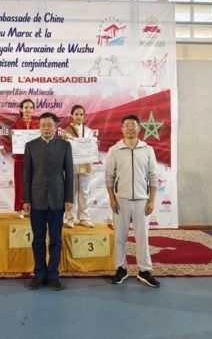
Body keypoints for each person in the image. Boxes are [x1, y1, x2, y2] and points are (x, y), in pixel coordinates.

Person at [105, 114, 160, 288]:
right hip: (120, 200)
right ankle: (121, 268)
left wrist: (151, 201)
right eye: (127, 125)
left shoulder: (147, 150)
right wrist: (112, 199)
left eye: (133, 125)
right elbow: (109, 177)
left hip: (142, 201)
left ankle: (144, 271)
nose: (130, 128)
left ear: (139, 128)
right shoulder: (114, 150)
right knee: (120, 236)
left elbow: (153, 177)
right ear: (122, 129)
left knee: (142, 237)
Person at [23, 112, 73, 291]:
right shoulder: (30, 146)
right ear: (39, 127)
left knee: (55, 239)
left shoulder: (65, 145)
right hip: (36, 199)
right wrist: (26, 199)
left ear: (56, 127)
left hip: (58, 200)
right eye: (43, 125)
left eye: (49, 125)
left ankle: (53, 275)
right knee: (38, 240)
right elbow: (27, 175)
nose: (46, 128)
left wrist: (69, 198)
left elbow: (69, 173)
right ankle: (39, 274)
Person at [62, 104, 96, 229]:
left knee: (85, 192)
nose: (79, 116)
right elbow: (64, 148)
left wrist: (94, 145)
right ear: (71, 115)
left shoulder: (89, 131)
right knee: (71, 192)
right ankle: (70, 218)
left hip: (85, 164)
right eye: (76, 114)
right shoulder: (66, 131)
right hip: (71, 164)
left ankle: (84, 218)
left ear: (84, 116)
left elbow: (91, 147)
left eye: (81, 114)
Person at [10, 98, 39, 218]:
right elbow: (12, 140)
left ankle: (33, 208)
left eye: (30, 108)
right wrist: (11, 135)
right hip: (19, 158)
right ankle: (19, 209)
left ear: (33, 110)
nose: (28, 110)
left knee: (34, 184)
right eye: (26, 107)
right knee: (19, 184)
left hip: (35, 159)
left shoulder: (37, 124)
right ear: (21, 109)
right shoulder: (16, 124)